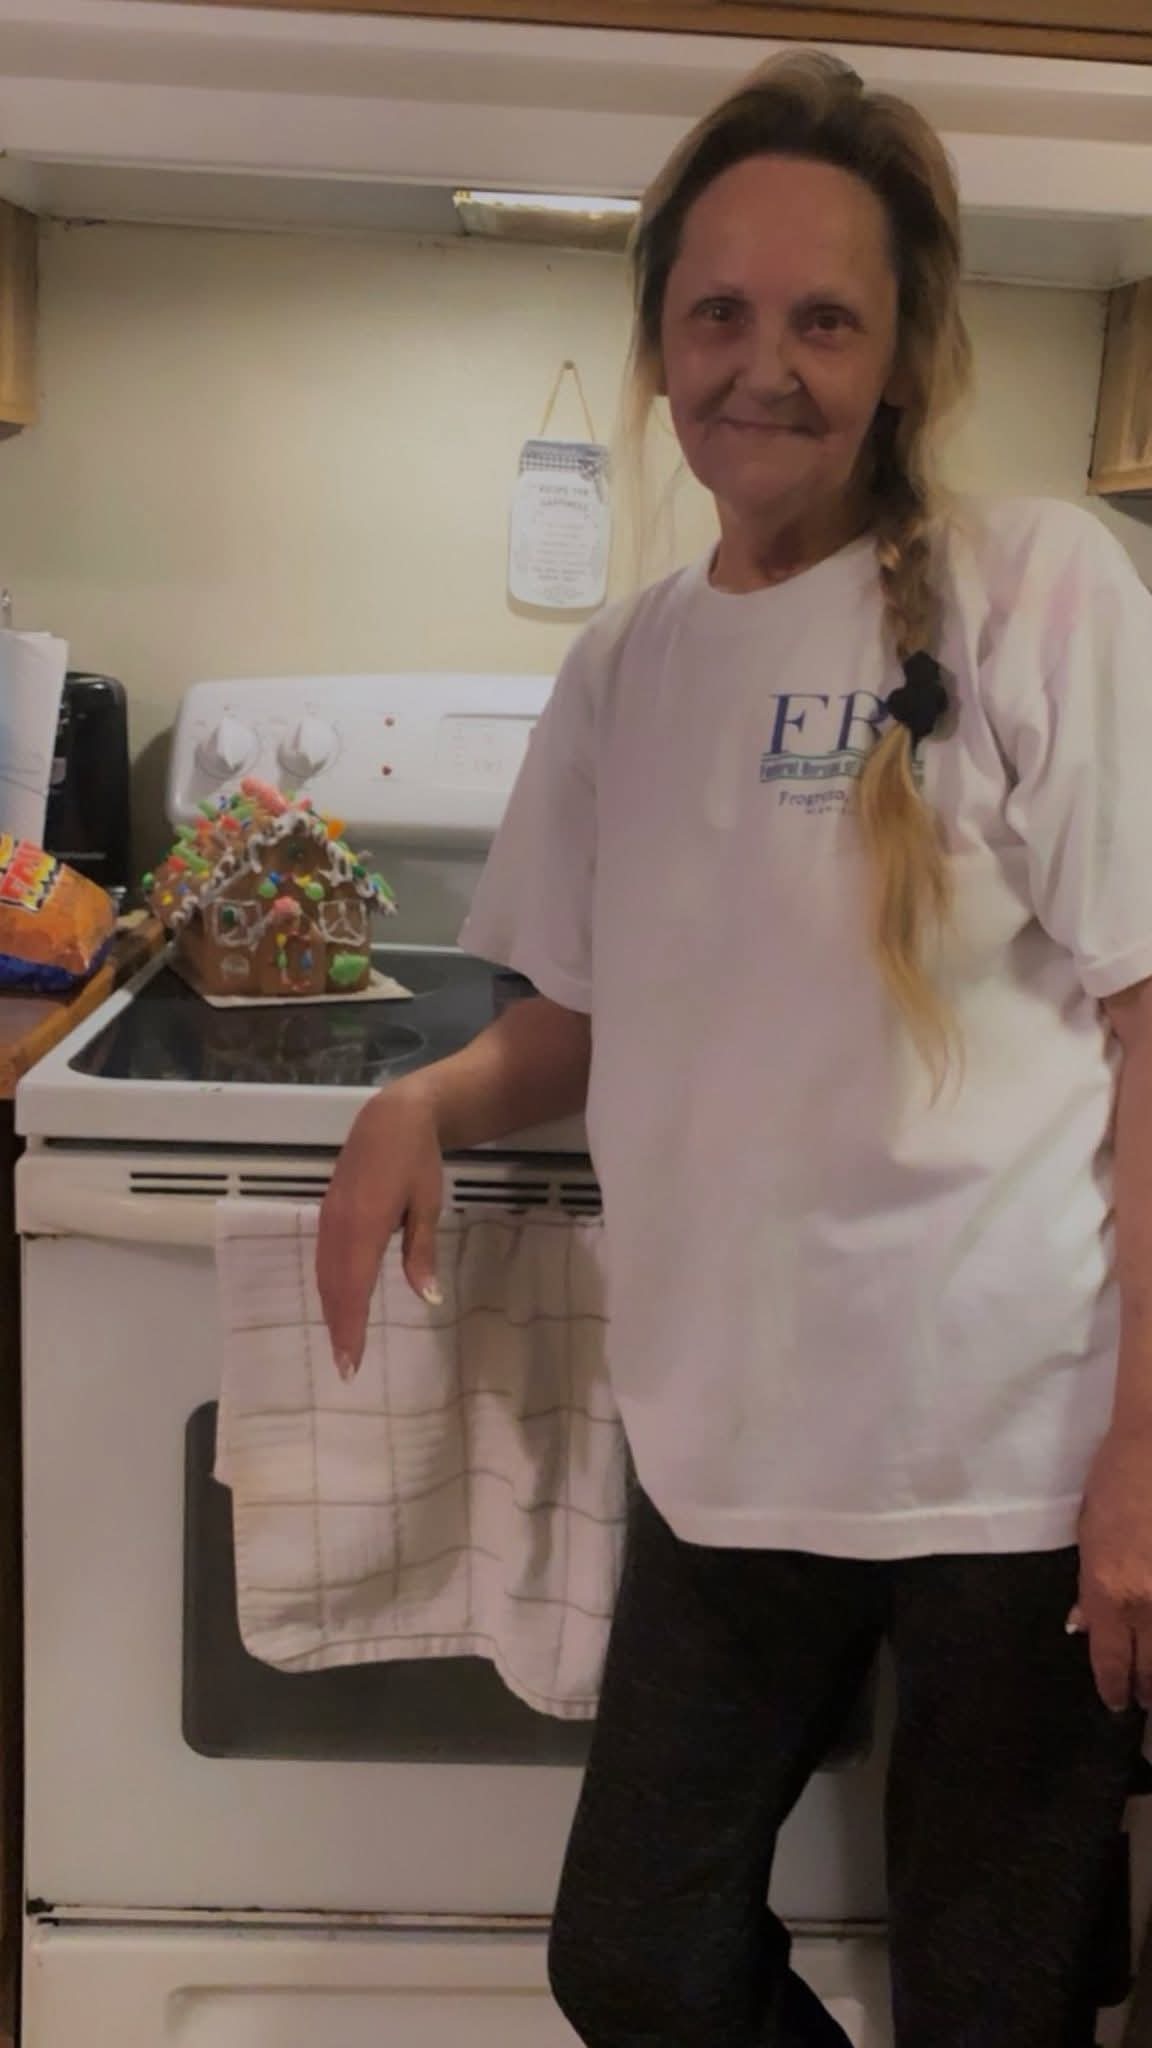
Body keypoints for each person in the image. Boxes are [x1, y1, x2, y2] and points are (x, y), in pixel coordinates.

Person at [317, 51, 1152, 2047]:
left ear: (902, 350)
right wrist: (422, 1096)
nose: (761, 366)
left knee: (1002, 2006)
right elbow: (579, 1022)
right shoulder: (630, 663)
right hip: (724, 1447)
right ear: (661, 342)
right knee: (635, 1955)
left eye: (823, 318)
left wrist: (1147, 1455)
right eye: (718, 313)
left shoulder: (1040, 585)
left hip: (1014, 1463)